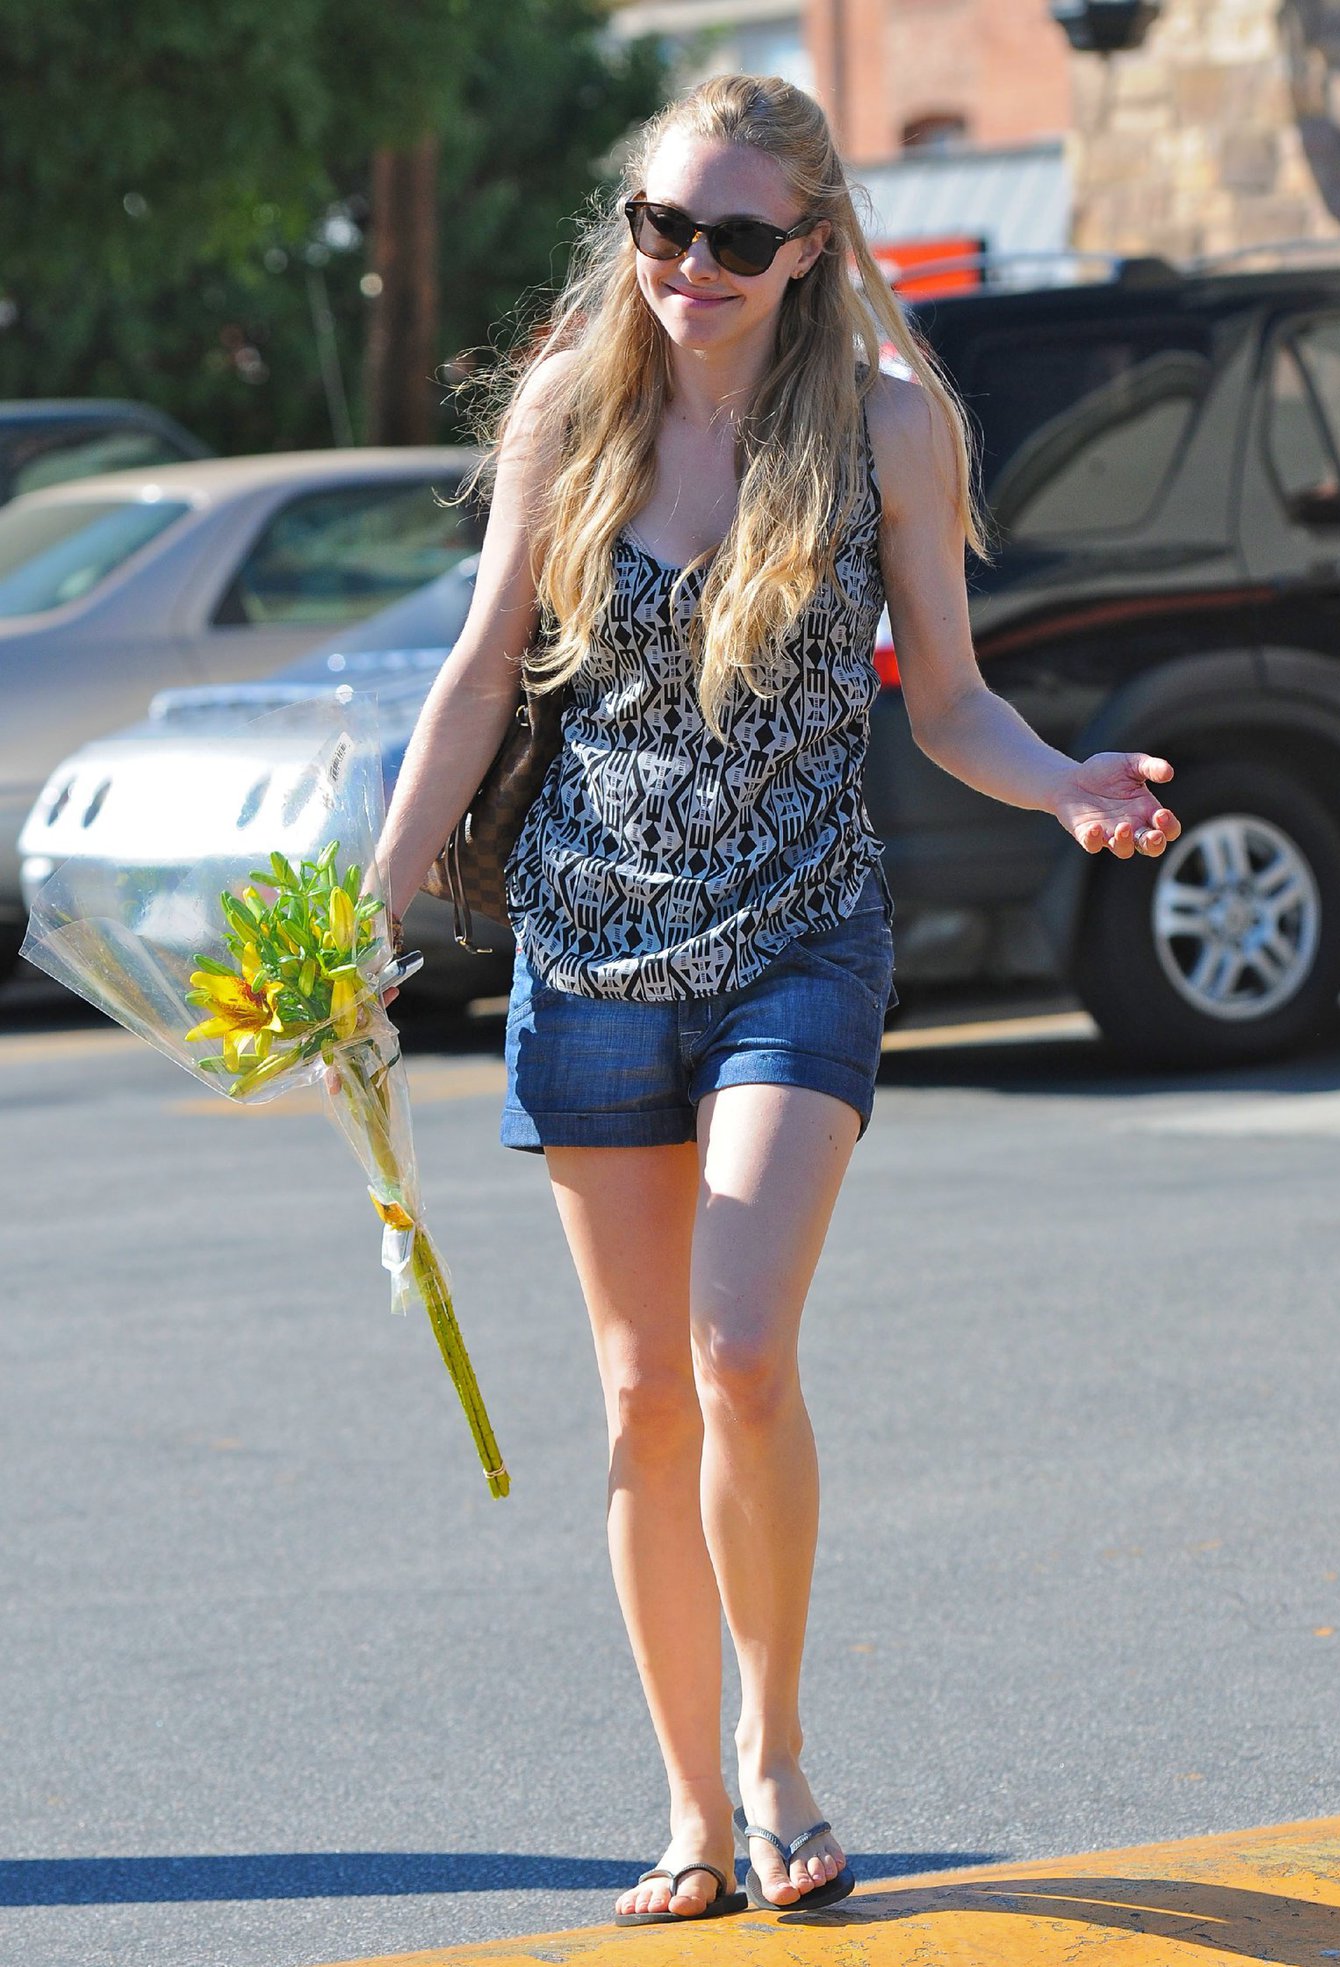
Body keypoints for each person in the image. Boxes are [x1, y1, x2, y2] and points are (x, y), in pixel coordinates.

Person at [375, 72, 1181, 1927]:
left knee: (738, 1348)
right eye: (663, 227)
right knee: (644, 1395)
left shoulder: (887, 424)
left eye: (737, 237)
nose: (691, 266)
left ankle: (778, 1748)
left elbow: (950, 698)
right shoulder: (573, 409)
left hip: (798, 932)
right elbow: (480, 673)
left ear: (813, 246)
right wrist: (368, 908)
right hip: (586, 947)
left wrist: (1063, 781)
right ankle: (686, 1808)